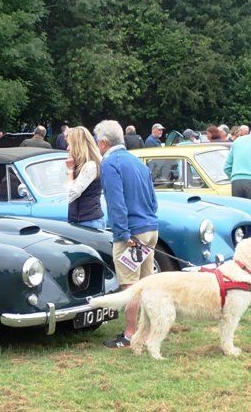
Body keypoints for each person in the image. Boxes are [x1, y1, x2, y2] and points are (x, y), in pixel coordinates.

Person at [93, 120, 159, 349]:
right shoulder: (137, 161)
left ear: (103, 143)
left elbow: (116, 202)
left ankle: (130, 335)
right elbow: (153, 198)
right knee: (147, 285)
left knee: (130, 287)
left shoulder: (110, 163)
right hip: (150, 228)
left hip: (131, 233)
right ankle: (147, 332)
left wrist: (122, 232)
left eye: (97, 141)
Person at [66, 126, 105, 229]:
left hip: (88, 221)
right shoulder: (85, 165)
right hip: (84, 220)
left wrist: (70, 170)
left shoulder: (91, 166)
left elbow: (71, 194)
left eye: (70, 144)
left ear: (78, 145)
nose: (67, 148)